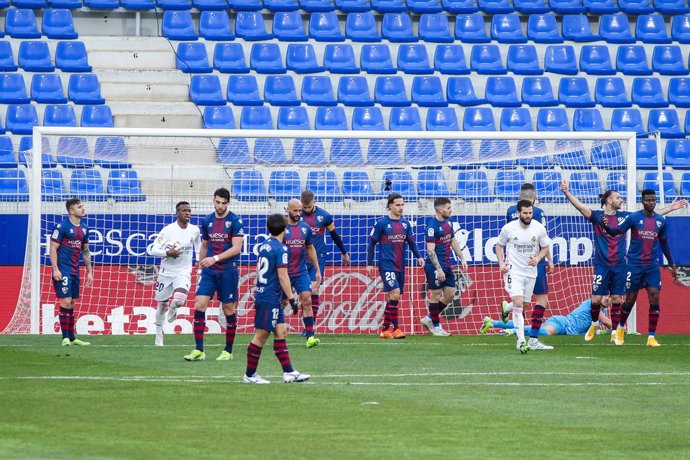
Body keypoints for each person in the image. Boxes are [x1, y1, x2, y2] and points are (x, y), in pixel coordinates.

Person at [560, 181, 686, 343]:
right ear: (609, 201)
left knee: (617, 299)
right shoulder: (598, 216)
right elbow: (580, 207)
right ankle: (594, 324)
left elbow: (647, 216)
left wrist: (670, 208)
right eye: (618, 197)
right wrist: (567, 193)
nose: (622, 200)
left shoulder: (625, 217)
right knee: (596, 300)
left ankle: (614, 332)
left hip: (620, 264)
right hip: (602, 264)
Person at [599, 189, 680, 347]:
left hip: (652, 265)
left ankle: (651, 337)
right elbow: (616, 231)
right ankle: (621, 329)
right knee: (630, 299)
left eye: (653, 200)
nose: (651, 202)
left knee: (654, 295)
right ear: (642, 201)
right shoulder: (634, 217)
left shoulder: (660, 221)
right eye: (648, 200)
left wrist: (672, 264)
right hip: (634, 265)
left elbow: (664, 244)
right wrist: (606, 227)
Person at [244, 213, 310, 384]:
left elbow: (260, 272)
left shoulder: (265, 245)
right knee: (261, 336)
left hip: (265, 294)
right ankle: (250, 375)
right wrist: (292, 298)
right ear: (285, 228)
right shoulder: (281, 249)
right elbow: (283, 276)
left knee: (281, 332)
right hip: (269, 297)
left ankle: (289, 372)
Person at [184, 188, 244, 362]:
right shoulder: (207, 220)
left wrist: (215, 258)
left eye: (224, 203)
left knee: (228, 309)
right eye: (218, 202)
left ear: (228, 203)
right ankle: (199, 350)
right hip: (209, 272)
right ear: (213, 200)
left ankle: (228, 350)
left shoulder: (235, 221)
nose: (220, 206)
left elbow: (236, 248)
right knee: (199, 305)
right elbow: (204, 245)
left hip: (227, 271)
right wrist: (201, 267)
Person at [501, 183, 555, 346]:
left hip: (517, 263)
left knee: (522, 303)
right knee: (541, 300)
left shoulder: (511, 211)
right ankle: (532, 339)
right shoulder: (538, 212)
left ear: (520, 196)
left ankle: (507, 309)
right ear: (535, 196)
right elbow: (542, 240)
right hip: (534, 261)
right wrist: (550, 260)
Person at [367, 193, 425, 339]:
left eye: (402, 205)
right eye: (398, 205)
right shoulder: (381, 223)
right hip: (386, 264)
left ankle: (385, 330)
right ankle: (397, 329)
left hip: (400, 265)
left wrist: (419, 257)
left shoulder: (405, 224)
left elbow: (411, 243)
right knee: (395, 293)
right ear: (390, 206)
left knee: (393, 296)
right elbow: (372, 243)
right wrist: (369, 263)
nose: (401, 208)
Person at [148, 201, 201, 347]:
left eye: (189, 211)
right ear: (177, 213)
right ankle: (159, 334)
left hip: (183, 272)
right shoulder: (168, 230)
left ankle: (174, 309)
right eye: (184, 210)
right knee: (161, 305)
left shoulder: (194, 230)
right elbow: (152, 250)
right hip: (166, 273)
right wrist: (167, 252)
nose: (187, 213)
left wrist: (199, 263)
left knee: (179, 300)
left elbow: (199, 247)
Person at [300, 190, 350, 329]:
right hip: (300, 259)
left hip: (319, 257)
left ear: (314, 202)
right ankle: (307, 323)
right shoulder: (297, 216)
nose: (307, 210)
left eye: (309, 207)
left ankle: (310, 327)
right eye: (305, 208)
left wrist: (344, 252)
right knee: (304, 294)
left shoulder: (324, 216)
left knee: (314, 290)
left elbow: (334, 235)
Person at [420, 197, 468, 337]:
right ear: (440, 210)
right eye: (448, 208)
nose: (450, 210)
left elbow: (453, 241)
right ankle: (436, 326)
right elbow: (430, 251)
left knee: (450, 294)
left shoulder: (447, 224)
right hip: (435, 267)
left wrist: (462, 257)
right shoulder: (431, 227)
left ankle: (430, 318)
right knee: (435, 296)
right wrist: (439, 269)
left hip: (447, 265)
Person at [49, 198, 94, 346]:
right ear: (71, 211)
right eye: (79, 207)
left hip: (75, 270)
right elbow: (53, 248)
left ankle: (72, 338)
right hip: (63, 269)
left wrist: (89, 272)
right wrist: (55, 268)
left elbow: (85, 251)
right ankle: (65, 338)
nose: (83, 209)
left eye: (82, 206)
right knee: (66, 300)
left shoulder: (85, 228)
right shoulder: (62, 226)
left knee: (73, 302)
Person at [285, 198, 321, 348]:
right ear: (287, 210)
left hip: (301, 271)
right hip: (284, 273)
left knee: (307, 299)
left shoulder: (305, 228)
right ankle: (274, 332)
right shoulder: (281, 228)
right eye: (295, 210)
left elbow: (310, 249)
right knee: (281, 303)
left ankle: (310, 335)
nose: (298, 213)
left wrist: (317, 269)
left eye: (300, 210)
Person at [481, 296, 612, 336]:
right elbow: (606, 322)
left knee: (533, 327)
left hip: (566, 328)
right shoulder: (593, 305)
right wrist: (620, 329)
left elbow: (591, 329)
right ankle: (511, 331)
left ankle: (492, 323)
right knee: (544, 332)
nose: (608, 299)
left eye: (611, 297)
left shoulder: (602, 311)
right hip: (563, 323)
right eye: (606, 295)